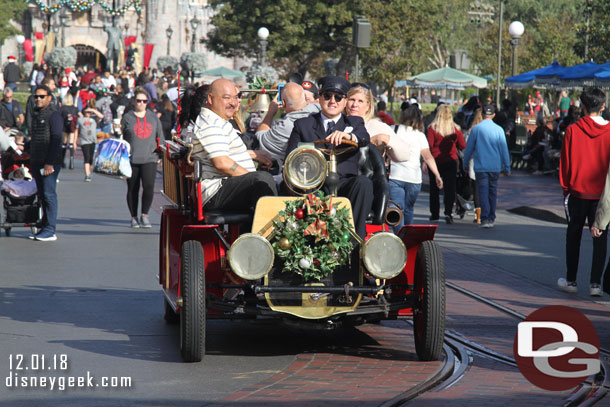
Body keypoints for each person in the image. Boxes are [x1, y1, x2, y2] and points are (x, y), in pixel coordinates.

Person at [285, 76, 372, 239]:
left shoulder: (354, 122)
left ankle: (355, 243)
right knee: (297, 187)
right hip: (312, 184)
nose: (333, 101)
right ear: (319, 98)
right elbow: (289, 159)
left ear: (345, 101)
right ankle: (308, 242)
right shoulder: (303, 124)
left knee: (364, 183)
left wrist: (348, 136)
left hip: (344, 183)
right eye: (327, 96)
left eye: (338, 97)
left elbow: (364, 138)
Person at [190, 78, 276, 214]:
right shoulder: (211, 124)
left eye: (236, 98)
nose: (233, 103)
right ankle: (271, 232)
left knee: (272, 181)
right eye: (226, 98)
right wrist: (252, 178)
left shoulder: (217, 120)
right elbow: (221, 163)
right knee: (262, 180)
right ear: (211, 99)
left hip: (221, 187)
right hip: (214, 192)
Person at [558, 87, 610, 297]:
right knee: (601, 238)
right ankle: (595, 283)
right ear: (603, 106)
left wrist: (566, 189)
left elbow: (565, 163)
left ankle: (571, 280)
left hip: (578, 192)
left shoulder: (572, 130)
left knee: (573, 235)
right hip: (602, 194)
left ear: (583, 105)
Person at [376, 105, 442, 231]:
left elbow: (381, 149)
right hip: (414, 178)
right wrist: (437, 175)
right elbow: (427, 157)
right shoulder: (420, 135)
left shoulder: (393, 129)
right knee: (408, 209)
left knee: (396, 209)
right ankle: (407, 239)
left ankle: (400, 238)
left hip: (395, 176)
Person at [121, 87, 165, 228]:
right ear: (134, 101)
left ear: (147, 102)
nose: (141, 103)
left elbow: (160, 138)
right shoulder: (127, 117)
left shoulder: (153, 118)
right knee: (132, 188)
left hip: (150, 158)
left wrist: (161, 156)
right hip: (131, 159)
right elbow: (120, 138)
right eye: (138, 101)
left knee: (148, 187)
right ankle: (133, 217)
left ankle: (145, 214)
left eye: (144, 101)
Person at [463, 104, 511, 229]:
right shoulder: (499, 130)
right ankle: (491, 216)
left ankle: (485, 218)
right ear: (494, 115)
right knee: (492, 192)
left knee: (483, 191)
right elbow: (504, 150)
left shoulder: (477, 129)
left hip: (481, 166)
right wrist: (507, 167)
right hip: (495, 166)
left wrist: (465, 163)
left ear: (483, 114)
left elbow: (469, 149)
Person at [28, 85, 63, 241]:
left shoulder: (54, 115)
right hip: (36, 160)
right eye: (36, 97)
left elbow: (56, 139)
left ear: (49, 97)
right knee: (42, 195)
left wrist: (50, 163)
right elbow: (36, 137)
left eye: (42, 96)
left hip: (49, 162)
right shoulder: (36, 114)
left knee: (49, 195)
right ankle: (44, 225)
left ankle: (50, 229)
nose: (38, 99)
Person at [255, 82, 319, 166]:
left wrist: (270, 113)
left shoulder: (285, 126)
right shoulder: (319, 109)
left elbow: (259, 137)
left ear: (283, 102)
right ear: (304, 97)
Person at [426, 104, 466, 224]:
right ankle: (448, 212)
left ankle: (435, 213)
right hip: (451, 160)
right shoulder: (455, 129)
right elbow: (463, 145)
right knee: (450, 188)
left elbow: (429, 145)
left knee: (434, 188)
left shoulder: (432, 128)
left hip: (435, 161)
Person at [74, 107, 98, 182]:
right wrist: (74, 142)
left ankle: (89, 172)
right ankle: (87, 175)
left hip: (93, 141)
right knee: (86, 157)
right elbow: (76, 131)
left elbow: (101, 116)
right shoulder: (80, 120)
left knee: (91, 158)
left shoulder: (93, 120)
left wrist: (93, 110)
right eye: (87, 112)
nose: (88, 113)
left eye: (89, 112)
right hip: (84, 141)